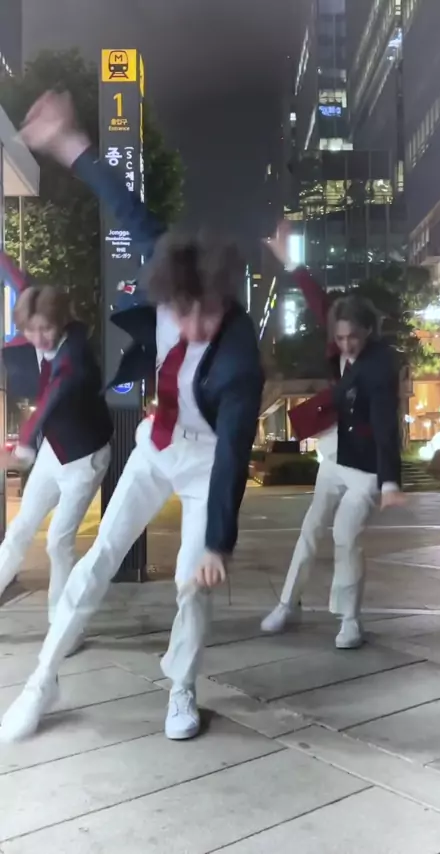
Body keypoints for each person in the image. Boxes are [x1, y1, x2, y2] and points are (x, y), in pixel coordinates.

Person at [0, 91, 264, 743]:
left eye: (209, 312)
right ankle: (42, 679)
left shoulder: (239, 357)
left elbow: (235, 451)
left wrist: (218, 540)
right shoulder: (166, 260)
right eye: (184, 311)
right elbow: (124, 203)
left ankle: (182, 687)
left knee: (194, 584)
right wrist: (68, 143)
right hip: (156, 444)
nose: (194, 325)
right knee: (97, 559)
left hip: (207, 461)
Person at [261, 231, 404, 650]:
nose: (345, 345)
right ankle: (288, 604)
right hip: (336, 454)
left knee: (345, 534)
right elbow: (319, 300)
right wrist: (291, 263)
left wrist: (390, 481)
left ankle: (349, 619)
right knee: (311, 528)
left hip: (367, 467)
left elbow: (386, 423)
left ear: (368, 330)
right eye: (339, 338)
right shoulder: (338, 334)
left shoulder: (380, 365)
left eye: (352, 338)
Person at [0, 272, 112, 654]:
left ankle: (65, 626)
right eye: (31, 331)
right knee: (19, 530)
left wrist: (24, 444)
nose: (39, 338)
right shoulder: (35, 332)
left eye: (46, 329)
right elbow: (23, 283)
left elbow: (55, 393)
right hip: (55, 448)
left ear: (61, 321)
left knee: (58, 542)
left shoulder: (75, 355)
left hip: (85, 456)